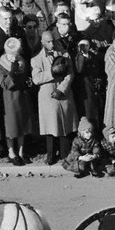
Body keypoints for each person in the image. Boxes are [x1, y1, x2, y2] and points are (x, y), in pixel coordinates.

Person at [31, 31, 78, 165]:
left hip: (63, 93)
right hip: (47, 95)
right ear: (42, 42)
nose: (52, 44)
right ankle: (51, 155)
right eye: (48, 41)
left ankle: (65, 153)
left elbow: (70, 74)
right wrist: (52, 72)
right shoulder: (36, 59)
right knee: (50, 127)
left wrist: (62, 88)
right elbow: (36, 79)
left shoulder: (64, 54)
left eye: (53, 41)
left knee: (65, 125)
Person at [0, 37, 33, 166]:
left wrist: (28, 82)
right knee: (11, 127)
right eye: (13, 53)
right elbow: (4, 84)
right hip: (9, 98)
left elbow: (27, 76)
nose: (15, 56)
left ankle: (22, 151)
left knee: (23, 125)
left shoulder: (22, 61)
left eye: (17, 53)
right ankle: (12, 152)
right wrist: (12, 70)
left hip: (22, 96)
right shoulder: (1, 64)